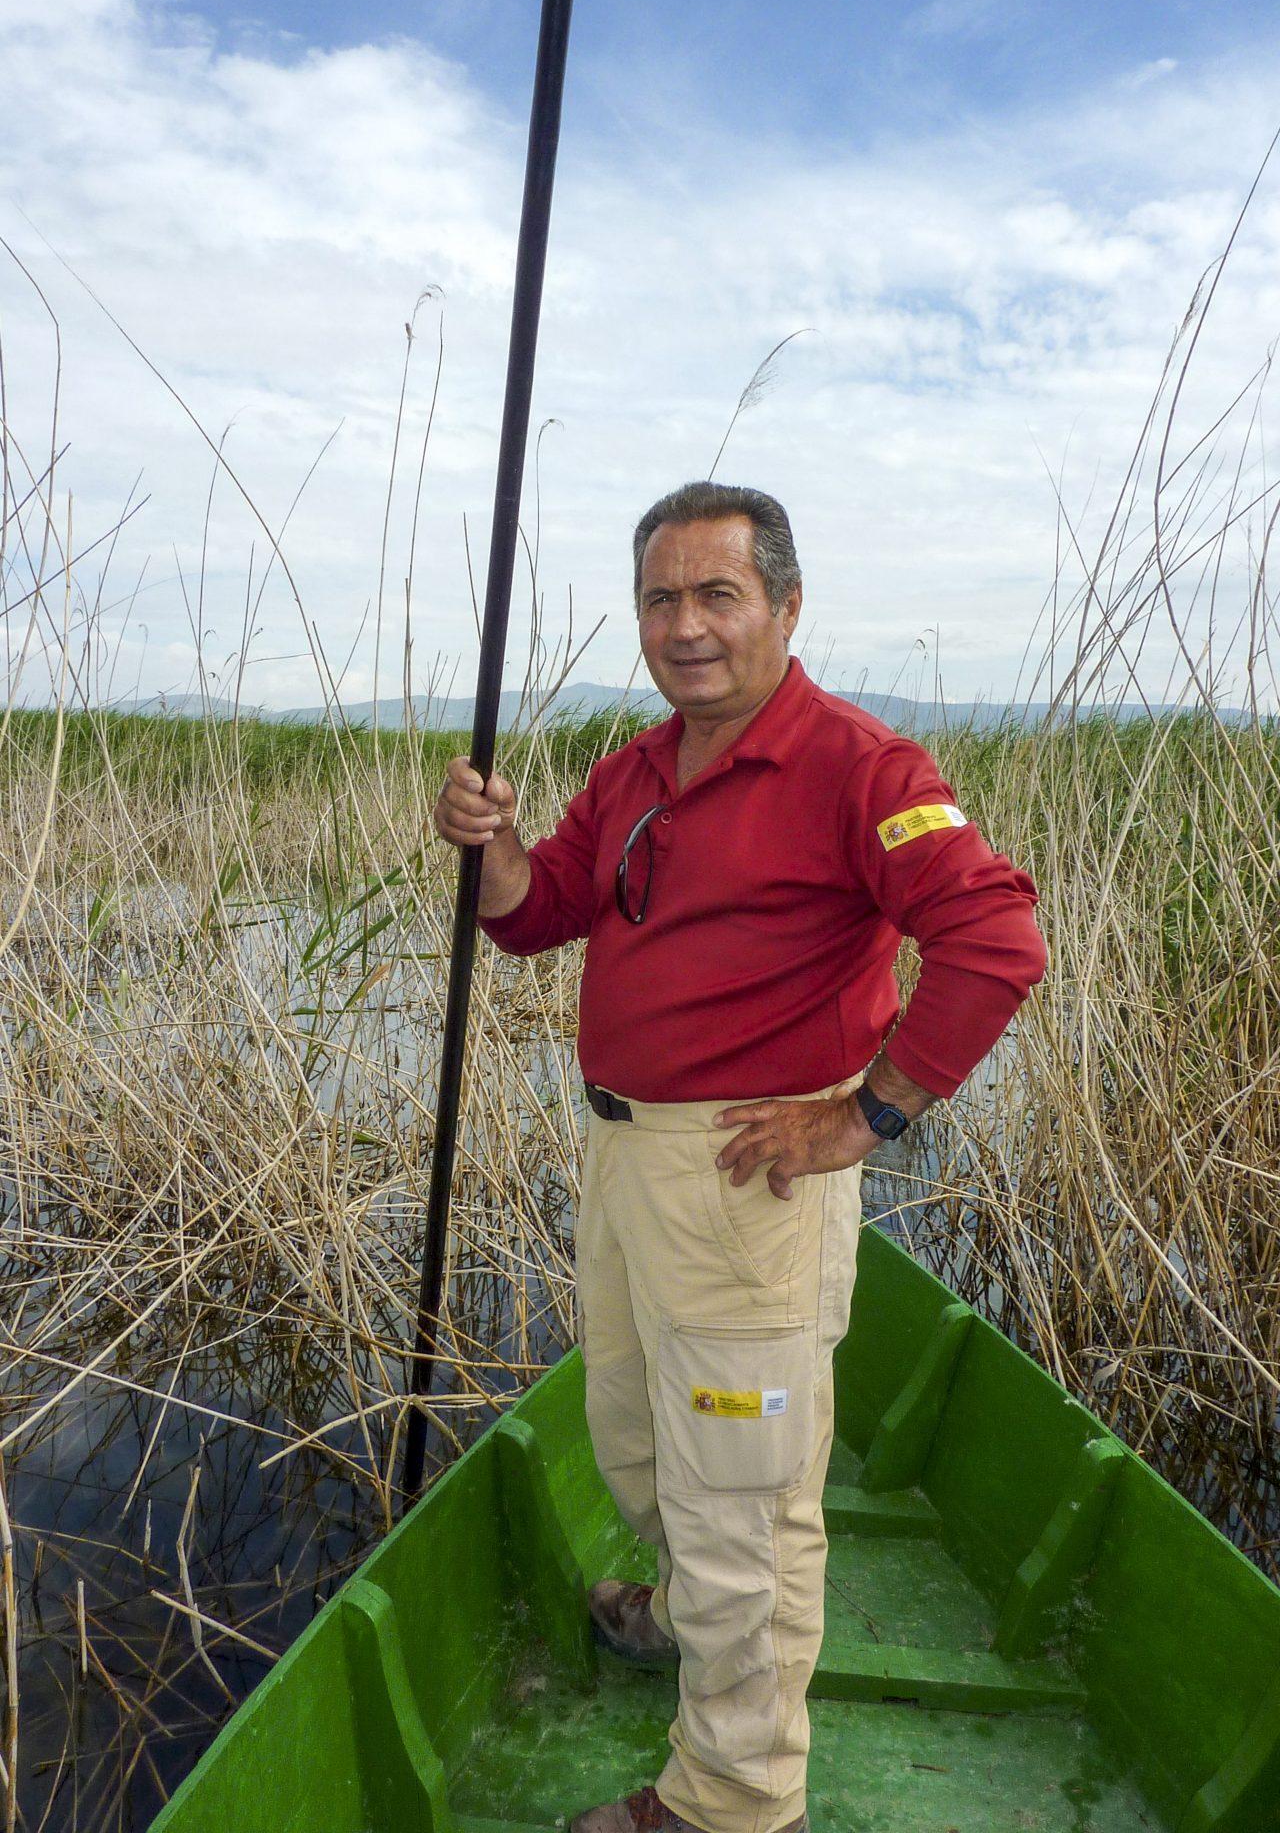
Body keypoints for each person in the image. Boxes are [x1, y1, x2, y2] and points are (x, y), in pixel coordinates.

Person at [433, 482, 1046, 1833]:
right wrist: (493, 852)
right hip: (626, 1164)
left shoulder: (861, 767)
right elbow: (541, 917)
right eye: (662, 598)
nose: (687, 626)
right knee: (636, 1438)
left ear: (784, 605)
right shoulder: (640, 768)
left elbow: (997, 942)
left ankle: (732, 1797)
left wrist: (860, 1119)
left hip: (749, 1187)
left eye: (719, 595)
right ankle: (677, 1614)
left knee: (744, 1511)